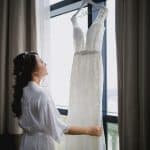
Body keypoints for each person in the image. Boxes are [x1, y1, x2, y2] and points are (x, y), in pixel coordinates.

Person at [11, 51, 103, 150]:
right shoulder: (41, 94)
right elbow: (59, 126)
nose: (45, 63)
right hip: (40, 145)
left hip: (25, 142)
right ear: (34, 71)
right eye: (41, 62)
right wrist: (89, 130)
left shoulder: (22, 91)